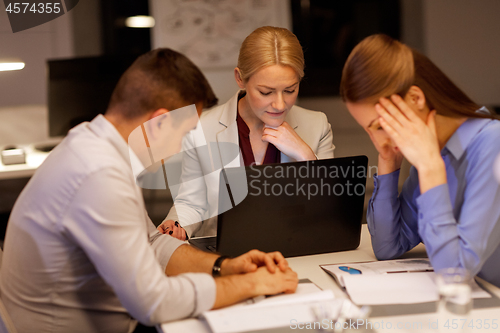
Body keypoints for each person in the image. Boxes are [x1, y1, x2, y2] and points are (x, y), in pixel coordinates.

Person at [0, 48, 298, 333]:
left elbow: (151, 243)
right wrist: (251, 285)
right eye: (183, 134)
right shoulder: (99, 175)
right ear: (158, 122)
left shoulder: (93, 144)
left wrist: (226, 266)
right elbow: (152, 301)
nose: (182, 146)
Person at [340, 34, 500, 287]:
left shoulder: (492, 144)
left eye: (381, 125)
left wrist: (429, 168)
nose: (378, 141)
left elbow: (454, 275)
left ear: (415, 99)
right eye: (368, 130)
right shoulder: (435, 148)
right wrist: (388, 162)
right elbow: (387, 247)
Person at [159, 26, 335, 240]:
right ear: (240, 78)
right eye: (266, 92)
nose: (280, 104)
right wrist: (177, 227)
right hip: (228, 256)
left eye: (290, 90)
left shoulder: (317, 125)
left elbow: (330, 211)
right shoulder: (201, 130)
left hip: (297, 250)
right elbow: (191, 203)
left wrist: (306, 157)